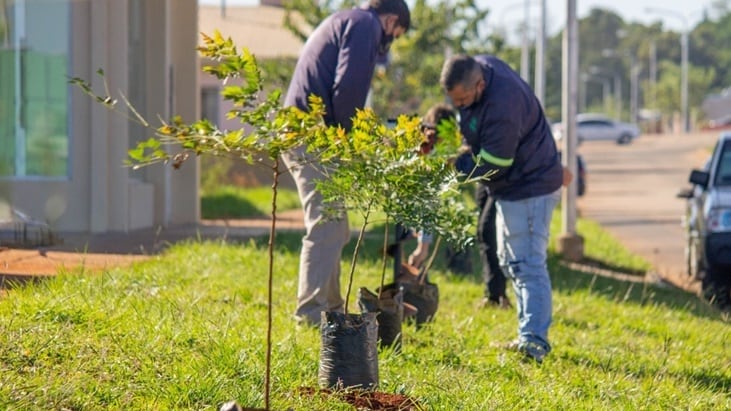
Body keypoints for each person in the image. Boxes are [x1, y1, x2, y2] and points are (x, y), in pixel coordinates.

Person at [280, 0, 411, 326]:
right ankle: (310, 314)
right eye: (396, 33)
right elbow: (348, 87)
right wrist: (351, 139)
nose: (391, 40)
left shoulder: (346, 20)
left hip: (312, 132)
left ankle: (331, 310)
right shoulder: (366, 25)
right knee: (326, 223)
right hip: (312, 134)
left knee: (336, 225)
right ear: (391, 19)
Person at [441, 54, 563, 363]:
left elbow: (495, 165)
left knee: (528, 264)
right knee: (511, 263)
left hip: (530, 185)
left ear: (480, 85)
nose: (460, 106)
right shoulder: (476, 75)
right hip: (510, 187)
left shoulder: (504, 103)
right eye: (455, 101)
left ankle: (534, 342)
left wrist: (454, 166)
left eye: (464, 100)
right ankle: (526, 335)